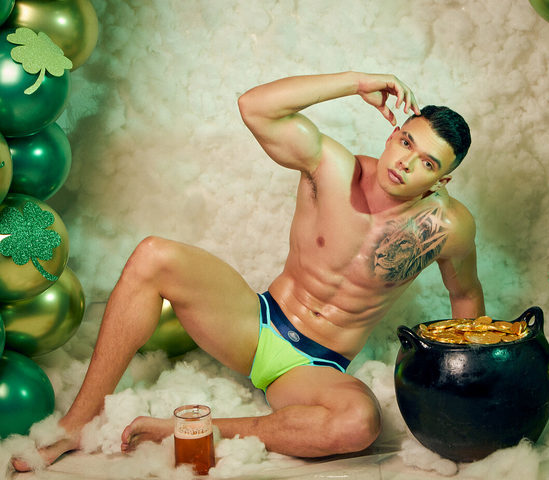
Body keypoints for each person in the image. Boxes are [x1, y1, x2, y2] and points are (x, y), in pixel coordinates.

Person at [12, 71, 484, 471]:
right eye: (406, 142)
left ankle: (192, 431)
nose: (405, 163)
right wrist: (356, 82)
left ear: (441, 179)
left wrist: (472, 389)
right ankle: (77, 423)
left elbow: (465, 296)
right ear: (392, 133)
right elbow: (255, 107)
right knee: (153, 254)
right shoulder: (330, 165)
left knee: (359, 424)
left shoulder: (447, 228)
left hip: (315, 368)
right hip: (256, 324)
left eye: (426, 163)